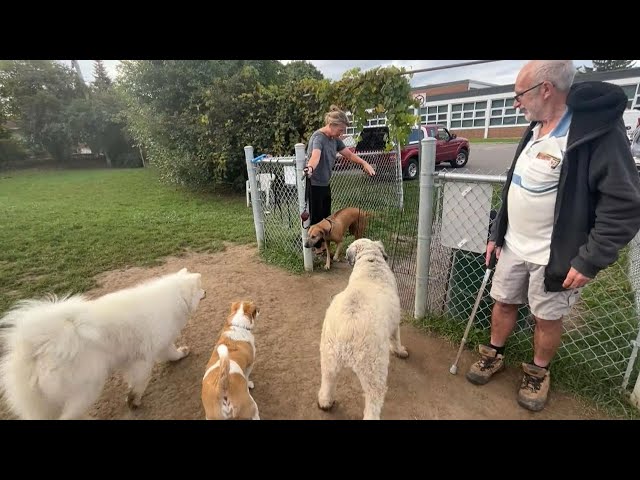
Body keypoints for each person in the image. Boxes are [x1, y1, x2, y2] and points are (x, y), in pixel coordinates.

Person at [465, 60, 640, 412]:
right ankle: (494, 354)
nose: (515, 103)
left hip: (553, 254)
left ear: (546, 89)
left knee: (547, 317)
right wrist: (496, 232)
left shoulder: (594, 133)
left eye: (519, 95)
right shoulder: (535, 129)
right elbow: (514, 186)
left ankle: (537, 372)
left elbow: (624, 203)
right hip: (514, 245)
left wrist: (591, 258)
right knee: (502, 302)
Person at [304, 105, 376, 229]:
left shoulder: (334, 139)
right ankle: (315, 247)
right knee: (317, 220)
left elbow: (349, 155)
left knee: (326, 217)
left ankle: (324, 245)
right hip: (314, 185)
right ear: (332, 125)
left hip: (325, 183)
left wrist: (364, 163)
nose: (341, 134)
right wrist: (310, 168)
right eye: (341, 130)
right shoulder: (318, 138)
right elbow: (315, 156)